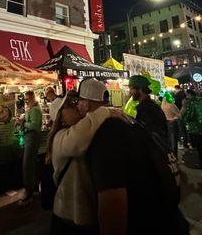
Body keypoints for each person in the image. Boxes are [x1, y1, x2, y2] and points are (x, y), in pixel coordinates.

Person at [79, 79, 189, 234]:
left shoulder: (108, 132)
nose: (129, 92)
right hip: (171, 218)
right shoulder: (135, 117)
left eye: (131, 88)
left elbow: (113, 206)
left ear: (86, 103)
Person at [47, 89, 126, 233]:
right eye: (69, 105)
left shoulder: (86, 130)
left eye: (75, 102)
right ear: (59, 117)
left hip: (86, 215)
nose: (76, 106)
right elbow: (79, 136)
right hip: (69, 216)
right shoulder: (60, 137)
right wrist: (106, 111)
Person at [18, 90, 43, 205]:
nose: (27, 101)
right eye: (25, 99)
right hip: (29, 138)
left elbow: (35, 125)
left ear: (33, 98)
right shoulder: (31, 109)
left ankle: (29, 193)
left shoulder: (36, 110)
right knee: (31, 164)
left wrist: (23, 123)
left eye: (28, 99)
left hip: (33, 138)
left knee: (27, 164)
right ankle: (34, 189)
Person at [129, 75, 167, 140]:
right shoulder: (149, 105)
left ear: (140, 89)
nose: (129, 92)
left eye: (131, 89)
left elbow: (146, 135)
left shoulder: (147, 108)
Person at [161, 92, 181, 156]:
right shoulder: (171, 105)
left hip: (167, 122)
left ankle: (170, 155)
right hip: (173, 122)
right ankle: (174, 155)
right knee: (174, 140)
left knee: (169, 140)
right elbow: (179, 114)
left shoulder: (163, 105)